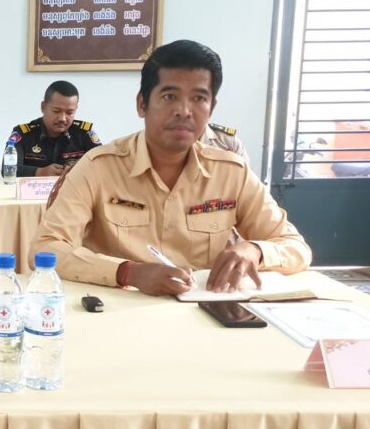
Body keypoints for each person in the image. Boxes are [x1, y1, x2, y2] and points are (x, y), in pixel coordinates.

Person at [31, 40, 311, 296]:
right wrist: (128, 272)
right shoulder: (97, 168)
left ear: (211, 108)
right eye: (169, 96)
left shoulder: (232, 173)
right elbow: (45, 248)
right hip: (119, 312)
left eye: (199, 98)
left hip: (207, 315)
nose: (184, 111)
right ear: (142, 104)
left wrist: (255, 251)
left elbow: (296, 247)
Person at [9, 80, 101, 177]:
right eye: (56, 111)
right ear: (43, 107)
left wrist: (80, 168)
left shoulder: (84, 133)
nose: (62, 118)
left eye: (69, 113)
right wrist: (38, 172)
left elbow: (104, 163)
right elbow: (7, 168)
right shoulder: (23, 134)